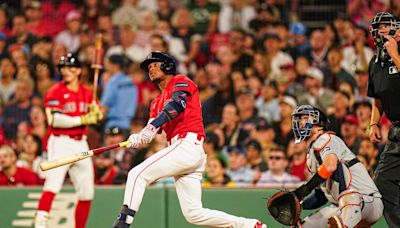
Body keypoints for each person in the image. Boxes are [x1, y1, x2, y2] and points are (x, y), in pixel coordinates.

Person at [112, 51, 266, 228]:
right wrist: (138, 138)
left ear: (168, 66)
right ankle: (251, 225)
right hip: (182, 151)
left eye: (155, 64)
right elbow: (151, 131)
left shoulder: (181, 80)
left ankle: (123, 224)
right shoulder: (156, 102)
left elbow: (177, 104)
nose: (151, 69)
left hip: (187, 145)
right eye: (149, 67)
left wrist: (151, 128)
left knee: (136, 174)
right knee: (194, 214)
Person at [34, 53, 103, 228]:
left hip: (81, 142)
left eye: (71, 67)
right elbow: (54, 120)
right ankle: (40, 225)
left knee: (87, 193)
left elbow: (98, 115)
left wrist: (97, 113)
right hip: (60, 142)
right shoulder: (54, 91)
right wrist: (83, 119)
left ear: (79, 70)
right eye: (63, 67)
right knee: (52, 186)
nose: (66, 71)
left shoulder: (88, 93)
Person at [289, 105, 382, 227]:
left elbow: (330, 167)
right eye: (299, 119)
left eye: (306, 118)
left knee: (350, 197)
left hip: (367, 201)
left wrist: (303, 190)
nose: (300, 122)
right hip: (343, 206)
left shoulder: (327, 138)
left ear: (319, 126)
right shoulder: (311, 156)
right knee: (305, 226)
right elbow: (320, 197)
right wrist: (299, 205)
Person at [368, 11, 400, 227]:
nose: (381, 31)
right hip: (396, 130)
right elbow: (377, 97)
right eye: (377, 27)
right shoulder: (376, 61)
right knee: (382, 180)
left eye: (385, 26)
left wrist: (395, 54)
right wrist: (373, 123)